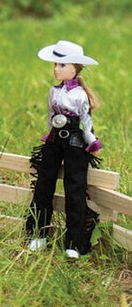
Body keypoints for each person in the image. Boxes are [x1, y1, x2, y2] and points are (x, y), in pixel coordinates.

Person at [26, 40, 101, 259]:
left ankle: (75, 242)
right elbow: (50, 116)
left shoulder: (80, 95)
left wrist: (92, 143)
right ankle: (38, 234)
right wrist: (49, 135)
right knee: (43, 186)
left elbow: (86, 122)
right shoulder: (53, 91)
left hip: (75, 143)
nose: (56, 69)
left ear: (74, 68)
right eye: (55, 65)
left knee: (75, 190)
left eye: (61, 65)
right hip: (54, 140)